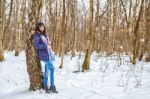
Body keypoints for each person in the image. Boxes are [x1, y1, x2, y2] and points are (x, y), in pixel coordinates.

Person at [33, 22, 58, 93]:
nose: (42, 28)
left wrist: (48, 44)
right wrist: (45, 46)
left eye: (43, 27)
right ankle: (52, 86)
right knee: (52, 69)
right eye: (41, 27)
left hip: (48, 54)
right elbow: (36, 46)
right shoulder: (36, 35)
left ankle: (46, 86)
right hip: (43, 55)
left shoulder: (44, 35)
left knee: (47, 70)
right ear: (38, 27)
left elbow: (46, 43)